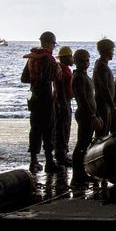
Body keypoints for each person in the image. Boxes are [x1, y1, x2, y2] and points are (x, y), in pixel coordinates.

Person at [21, 31, 59, 172]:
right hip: (46, 98)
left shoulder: (31, 59)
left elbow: (24, 79)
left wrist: (34, 79)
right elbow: (50, 78)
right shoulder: (49, 59)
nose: (53, 47)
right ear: (49, 43)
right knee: (49, 129)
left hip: (34, 98)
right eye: (53, 44)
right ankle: (49, 162)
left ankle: (34, 161)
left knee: (35, 129)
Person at [70, 48, 101, 179]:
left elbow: (90, 98)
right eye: (82, 61)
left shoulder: (83, 75)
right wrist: (93, 116)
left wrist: (96, 114)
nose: (86, 63)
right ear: (75, 61)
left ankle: (81, 172)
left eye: (87, 60)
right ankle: (78, 174)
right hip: (85, 115)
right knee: (81, 145)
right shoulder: (78, 77)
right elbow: (83, 100)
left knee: (85, 143)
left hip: (89, 114)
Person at [54, 46, 75, 168]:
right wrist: (62, 104)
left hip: (64, 101)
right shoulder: (62, 70)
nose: (73, 59)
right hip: (62, 102)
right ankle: (61, 155)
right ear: (66, 57)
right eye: (71, 56)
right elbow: (59, 87)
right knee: (62, 128)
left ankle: (62, 154)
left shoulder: (64, 68)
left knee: (64, 128)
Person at [93, 39, 116, 135]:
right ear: (106, 50)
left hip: (103, 104)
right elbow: (104, 88)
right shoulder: (102, 66)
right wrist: (112, 106)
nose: (113, 53)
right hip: (103, 104)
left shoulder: (99, 63)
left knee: (103, 133)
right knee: (102, 134)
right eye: (112, 50)